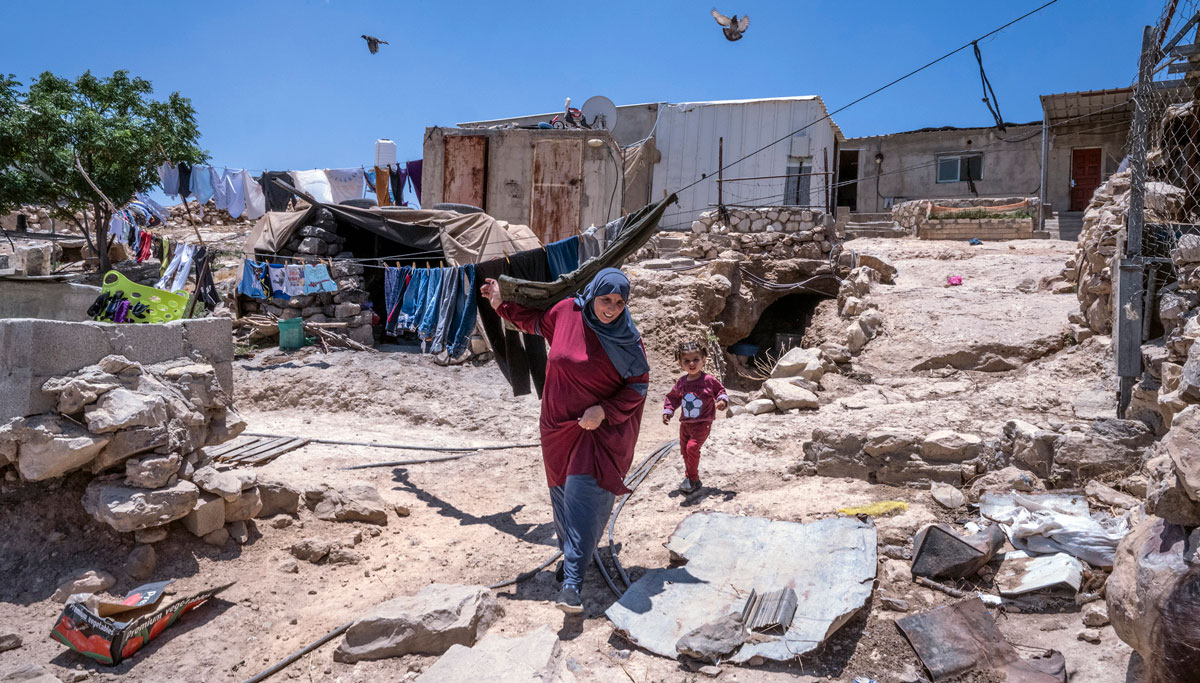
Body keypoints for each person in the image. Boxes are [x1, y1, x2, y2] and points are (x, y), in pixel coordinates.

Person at [480, 267, 649, 614]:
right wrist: (500, 305)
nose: (612, 308)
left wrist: (603, 411)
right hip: (556, 426)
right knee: (561, 499)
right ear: (593, 295)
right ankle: (574, 554)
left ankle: (572, 585)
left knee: (583, 498)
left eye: (620, 303)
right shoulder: (567, 312)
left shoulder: (628, 340)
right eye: (606, 300)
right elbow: (534, 323)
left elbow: (638, 387)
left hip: (595, 432)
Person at [662, 341, 727, 493]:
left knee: (692, 448)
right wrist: (668, 411)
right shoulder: (681, 382)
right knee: (685, 450)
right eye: (686, 361)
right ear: (680, 363)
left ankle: (692, 479)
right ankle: (693, 478)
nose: (691, 363)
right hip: (685, 424)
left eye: (696, 359)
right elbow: (673, 397)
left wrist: (722, 401)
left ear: (704, 360)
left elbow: (720, 391)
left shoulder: (708, 380)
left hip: (702, 423)